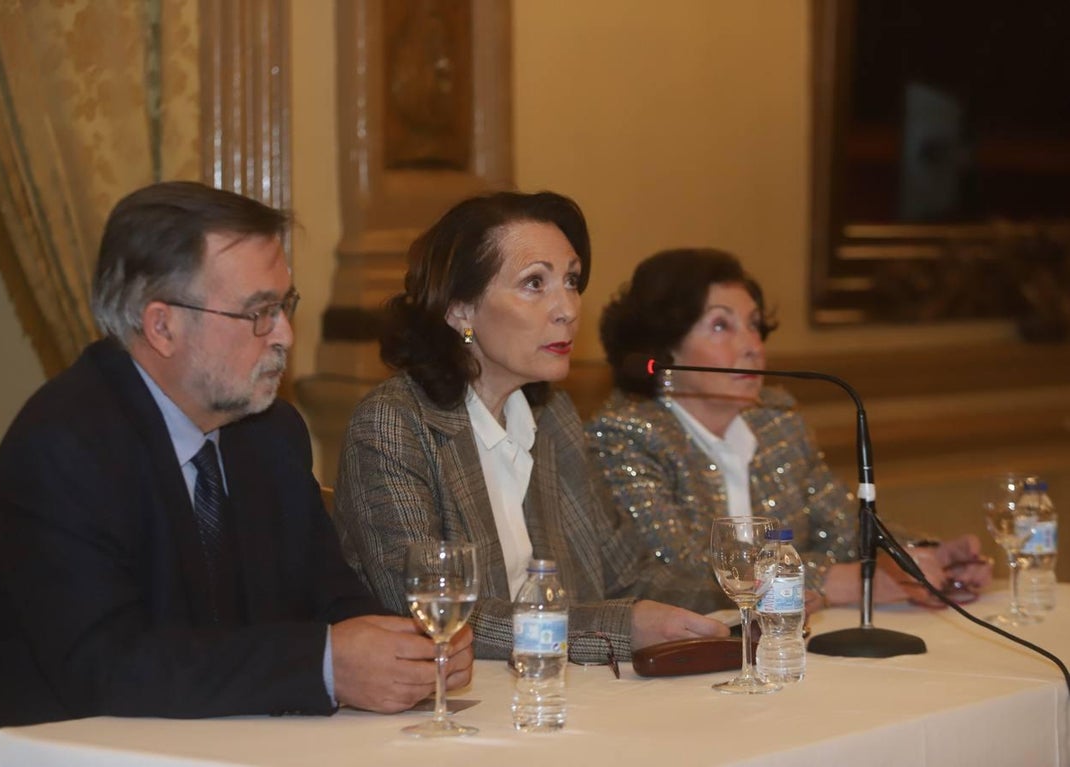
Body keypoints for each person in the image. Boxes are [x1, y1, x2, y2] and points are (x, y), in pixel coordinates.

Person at [0, 181, 472, 767]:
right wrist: (328, 664)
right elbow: (108, 665)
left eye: (286, 305)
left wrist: (406, 648)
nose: (284, 335)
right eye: (259, 312)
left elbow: (328, 595)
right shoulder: (66, 442)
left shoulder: (270, 433)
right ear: (162, 327)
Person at [332, 191, 729, 663]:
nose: (567, 308)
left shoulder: (551, 415)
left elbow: (625, 571)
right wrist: (621, 626)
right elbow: (434, 615)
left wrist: (746, 592)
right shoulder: (395, 425)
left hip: (554, 690)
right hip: (446, 706)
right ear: (460, 309)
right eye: (534, 284)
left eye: (572, 280)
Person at [587, 248, 993, 611]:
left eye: (754, 325)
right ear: (665, 350)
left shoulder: (775, 420)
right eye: (720, 326)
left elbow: (840, 525)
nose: (752, 345)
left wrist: (923, 556)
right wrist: (837, 582)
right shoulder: (626, 436)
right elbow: (674, 572)